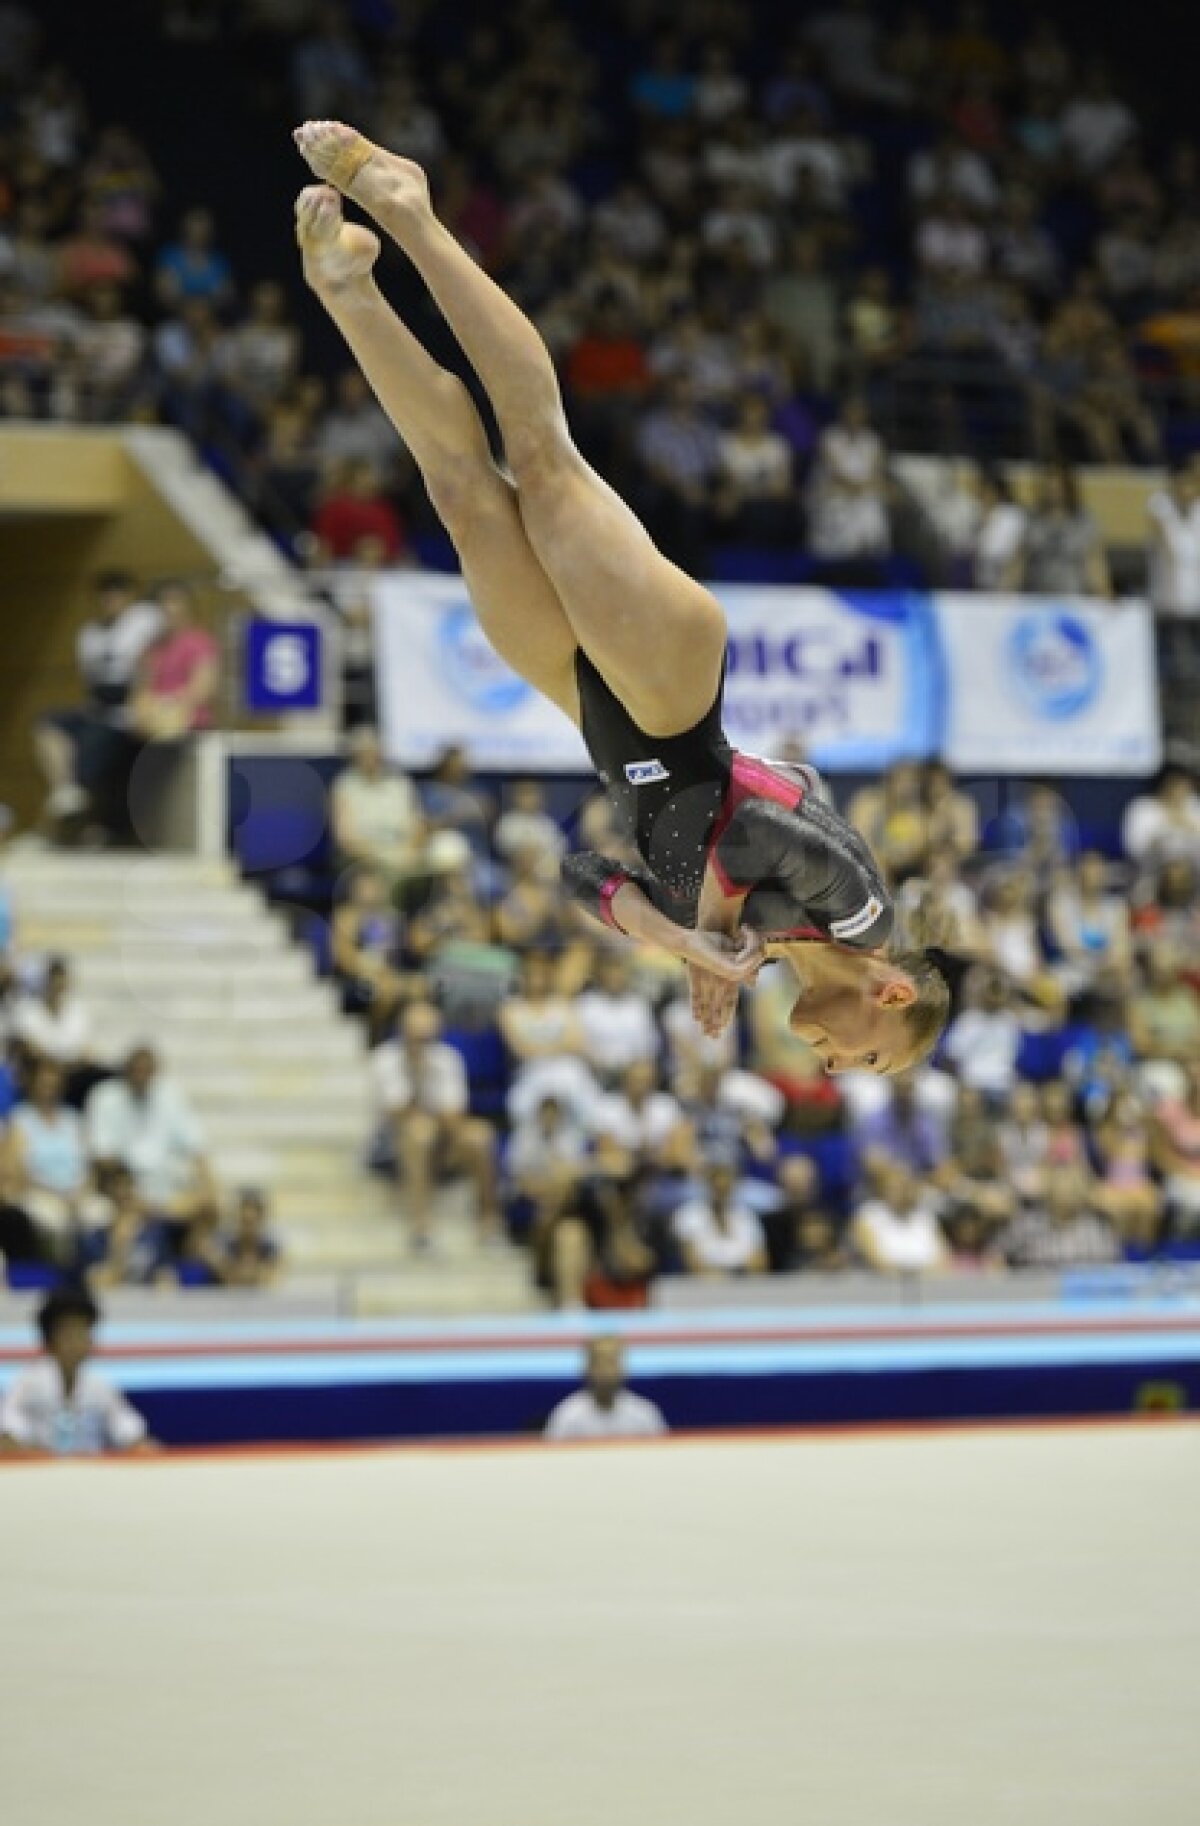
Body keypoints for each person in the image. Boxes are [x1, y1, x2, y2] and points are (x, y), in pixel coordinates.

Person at [290, 123, 949, 1074]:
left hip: (590, 711)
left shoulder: (758, 950)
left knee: (463, 495)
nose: (837, 1066)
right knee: (540, 458)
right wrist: (711, 930)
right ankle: (410, 210)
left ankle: (347, 289)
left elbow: (584, 874)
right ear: (892, 996)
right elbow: (761, 820)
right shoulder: (865, 920)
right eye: (870, 1059)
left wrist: (680, 941)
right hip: (673, 694)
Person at [0, 1285, 158, 1457]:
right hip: (40, 1466)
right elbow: (9, 1425)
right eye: (69, 1334)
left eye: (83, 1332)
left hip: (91, 1469)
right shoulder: (29, 1383)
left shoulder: (99, 1386)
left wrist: (138, 1442)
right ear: (50, 1340)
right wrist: (17, 1443)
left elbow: (125, 1425)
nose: (77, 1342)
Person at [544, 1335, 667, 1441]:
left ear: (623, 1368)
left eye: (611, 1363)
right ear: (587, 1369)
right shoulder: (567, 1417)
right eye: (599, 1363)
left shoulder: (644, 1415)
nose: (606, 1371)